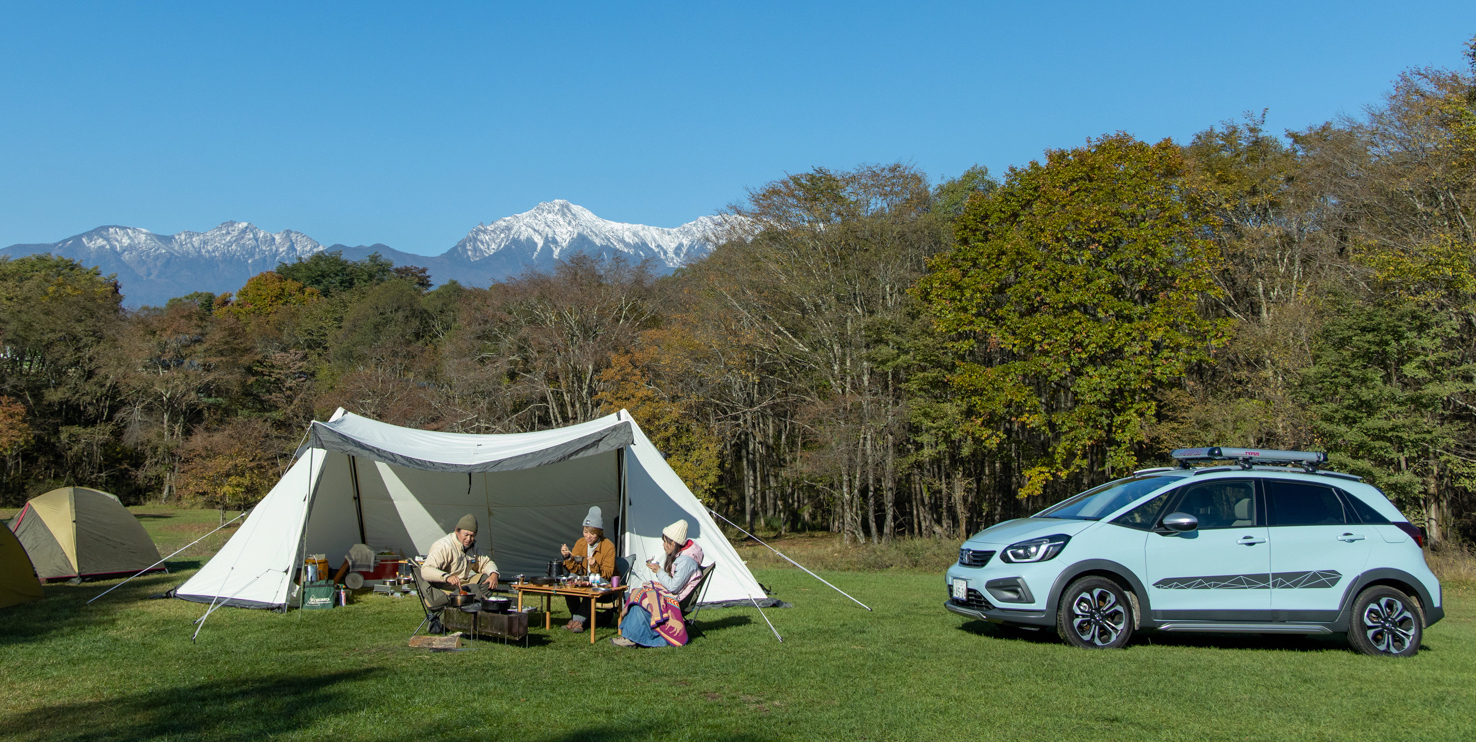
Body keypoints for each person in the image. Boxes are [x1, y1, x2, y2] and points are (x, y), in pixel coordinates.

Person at [611, 519, 705, 648]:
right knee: (640, 591)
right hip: (674, 595)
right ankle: (629, 635)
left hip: (676, 601)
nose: (664, 545)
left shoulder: (686, 561)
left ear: (674, 543)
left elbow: (674, 587)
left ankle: (632, 637)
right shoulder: (684, 557)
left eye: (666, 541)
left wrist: (659, 571)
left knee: (643, 599)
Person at [420, 514, 499, 632]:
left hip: (462, 586)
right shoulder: (443, 546)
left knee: (486, 580)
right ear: (457, 531)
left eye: (472, 536)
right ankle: (470, 612)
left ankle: (473, 611)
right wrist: (446, 577)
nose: (468, 539)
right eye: (466, 535)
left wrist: (494, 574)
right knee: (473, 589)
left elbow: (486, 563)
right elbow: (426, 570)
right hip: (444, 589)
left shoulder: (472, 548)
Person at [559, 506, 616, 632]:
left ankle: (577, 621)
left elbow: (607, 574)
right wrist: (568, 557)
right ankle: (577, 620)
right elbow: (575, 569)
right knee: (570, 582)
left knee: (591, 586)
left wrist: (595, 565)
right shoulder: (580, 543)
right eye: (585, 532)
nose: (588, 536)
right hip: (585, 578)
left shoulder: (608, 546)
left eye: (592, 533)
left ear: (599, 533)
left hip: (603, 582)